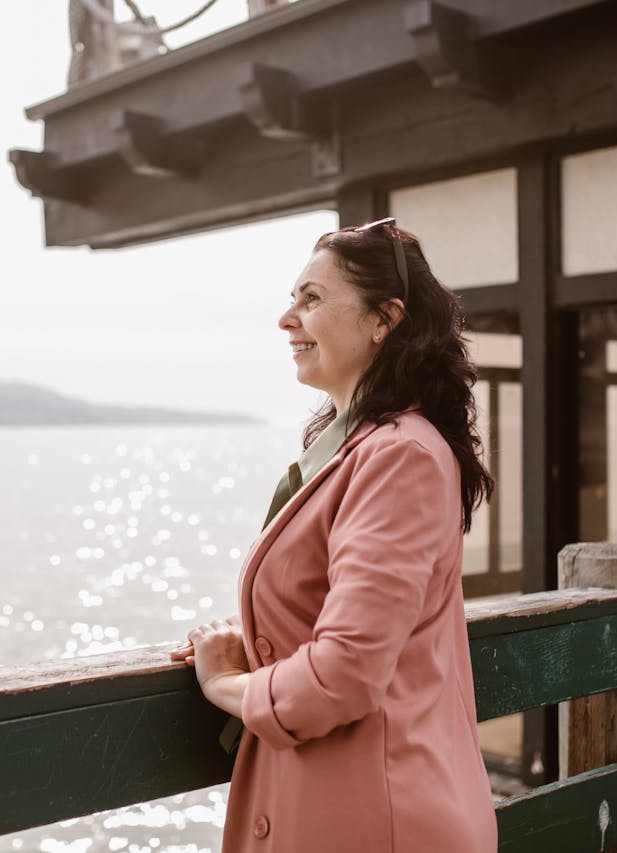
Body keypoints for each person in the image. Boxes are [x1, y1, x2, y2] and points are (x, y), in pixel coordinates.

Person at [170, 218, 498, 852]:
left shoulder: (398, 456)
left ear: (385, 319)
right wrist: (268, 642)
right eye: (294, 297)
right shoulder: (367, 447)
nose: (287, 318)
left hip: (377, 822)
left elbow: (344, 673)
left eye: (311, 299)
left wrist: (226, 685)